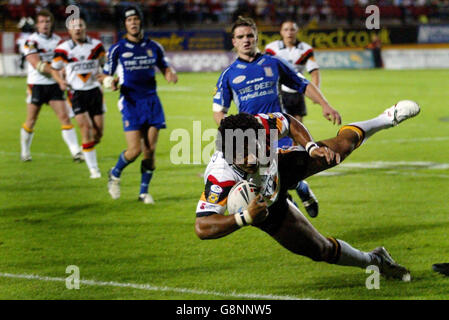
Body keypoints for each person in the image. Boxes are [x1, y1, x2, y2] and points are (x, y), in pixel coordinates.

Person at [196, 100, 420, 280]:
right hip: (265, 207)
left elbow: (290, 123)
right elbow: (202, 227)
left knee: (338, 149)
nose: (252, 158)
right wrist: (244, 218)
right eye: (242, 154)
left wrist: (311, 148)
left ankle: (387, 118)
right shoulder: (220, 176)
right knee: (320, 250)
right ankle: (375, 260)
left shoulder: (261, 125)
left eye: (254, 148)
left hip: (281, 168)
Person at [212, 16, 341, 218]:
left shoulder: (273, 63)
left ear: (256, 37)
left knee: (279, 183)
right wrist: (235, 135)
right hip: (253, 142)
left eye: (249, 35)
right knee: (275, 186)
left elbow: (303, 83)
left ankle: (299, 202)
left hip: (280, 132)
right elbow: (219, 111)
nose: (246, 40)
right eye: (240, 37)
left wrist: (325, 104)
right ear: (234, 41)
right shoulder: (228, 75)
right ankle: (301, 190)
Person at [98, 6, 178, 204]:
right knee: (134, 151)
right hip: (130, 102)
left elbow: (165, 66)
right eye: (129, 20)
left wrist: (170, 74)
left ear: (141, 21)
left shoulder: (154, 47)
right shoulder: (118, 49)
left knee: (150, 151)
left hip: (152, 101)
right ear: (125, 25)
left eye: (135, 19)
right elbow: (104, 75)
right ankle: (115, 173)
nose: (133, 23)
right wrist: (110, 82)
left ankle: (144, 192)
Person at [265, 20, 324, 217]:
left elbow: (314, 72)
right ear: (280, 32)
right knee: (273, 144)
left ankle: (294, 189)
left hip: (297, 94)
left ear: (297, 32)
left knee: (294, 141)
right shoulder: (272, 49)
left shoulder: (305, 49)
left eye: (292, 30)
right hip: (278, 96)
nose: (289, 32)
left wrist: (315, 93)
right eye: (286, 29)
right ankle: (298, 186)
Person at [20, 9, 83, 163]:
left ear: (52, 23)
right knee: (32, 119)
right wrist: (57, 73)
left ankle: (76, 152)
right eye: (41, 22)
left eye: (47, 22)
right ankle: (25, 152)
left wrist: (64, 72)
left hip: (54, 85)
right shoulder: (31, 41)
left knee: (64, 117)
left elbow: (64, 62)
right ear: (37, 25)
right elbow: (37, 65)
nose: (45, 25)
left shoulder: (58, 41)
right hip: (37, 85)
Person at [50, 16, 106, 179]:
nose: (78, 28)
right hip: (76, 93)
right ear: (69, 30)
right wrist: (60, 80)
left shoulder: (96, 46)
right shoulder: (63, 49)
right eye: (74, 26)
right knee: (85, 128)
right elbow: (54, 69)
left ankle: (85, 149)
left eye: (80, 25)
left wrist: (105, 76)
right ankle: (94, 170)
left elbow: (104, 63)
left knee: (98, 134)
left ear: (85, 27)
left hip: (95, 91)